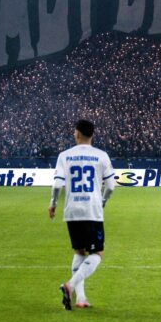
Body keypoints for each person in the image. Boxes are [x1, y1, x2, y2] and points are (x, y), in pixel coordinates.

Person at [49, 119, 116, 310]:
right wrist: (102, 202)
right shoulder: (101, 155)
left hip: (71, 210)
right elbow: (111, 186)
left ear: (77, 134)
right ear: (92, 135)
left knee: (79, 251)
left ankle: (81, 298)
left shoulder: (64, 155)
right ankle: (69, 287)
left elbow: (56, 185)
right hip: (92, 210)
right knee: (97, 253)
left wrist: (52, 204)